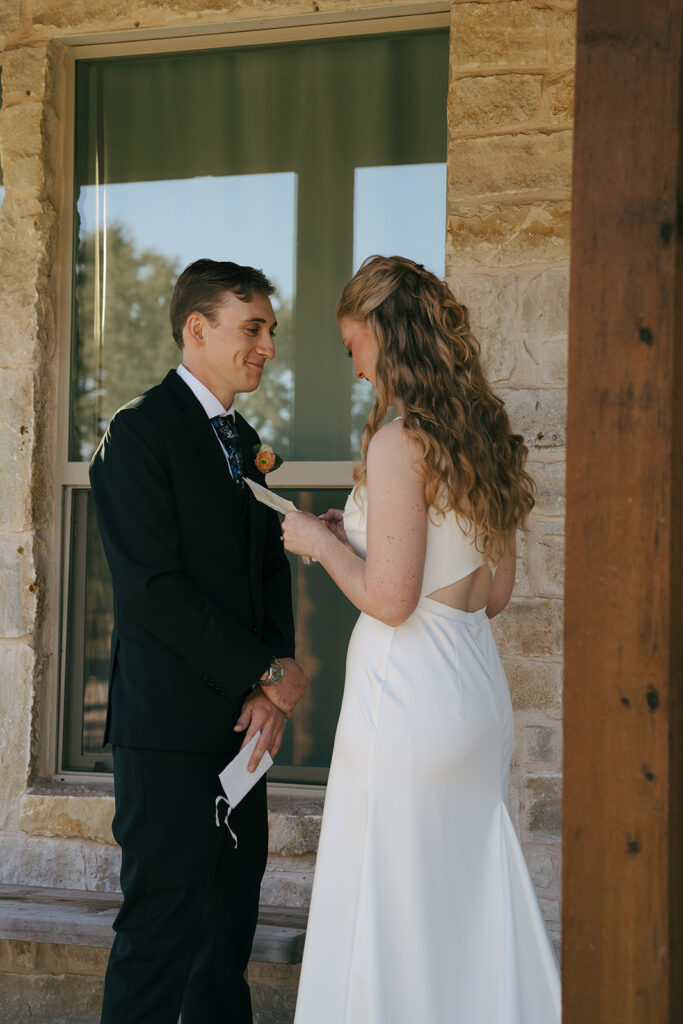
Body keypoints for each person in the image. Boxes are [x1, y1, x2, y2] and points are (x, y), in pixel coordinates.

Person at [283, 255, 561, 1023]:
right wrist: (359, 539)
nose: (353, 368)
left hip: (405, 704)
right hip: (473, 699)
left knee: (390, 909)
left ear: (380, 333)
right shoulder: (481, 436)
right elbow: (492, 595)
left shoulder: (397, 441)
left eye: (352, 348)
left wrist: (316, 540)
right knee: (459, 909)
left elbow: (390, 601)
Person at [89, 259, 309, 1024]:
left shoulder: (243, 439)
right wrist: (259, 668)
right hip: (169, 731)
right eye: (253, 329)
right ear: (197, 329)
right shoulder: (137, 433)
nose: (267, 348)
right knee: (160, 932)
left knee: (225, 933)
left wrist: (274, 678)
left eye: (269, 331)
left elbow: (267, 571)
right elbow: (153, 591)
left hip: (243, 730)